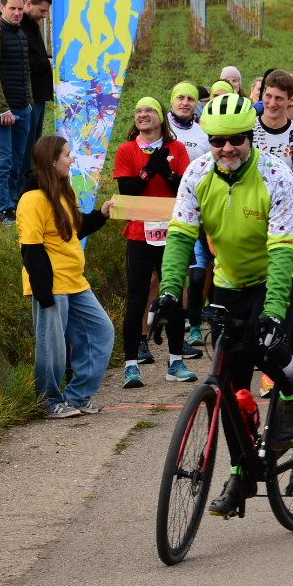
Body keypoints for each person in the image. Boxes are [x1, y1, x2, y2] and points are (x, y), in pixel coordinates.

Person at [156, 93, 293, 518]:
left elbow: (282, 248)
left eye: (236, 139)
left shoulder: (276, 174)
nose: (227, 148)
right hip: (230, 276)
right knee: (227, 382)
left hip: (281, 268)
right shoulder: (197, 173)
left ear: (250, 138)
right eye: (218, 140)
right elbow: (180, 235)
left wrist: (274, 310)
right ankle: (241, 472)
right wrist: (169, 292)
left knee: (263, 343)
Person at [19, 135, 117, 419]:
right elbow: (31, 249)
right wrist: (44, 292)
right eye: (67, 154)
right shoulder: (31, 200)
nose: (71, 159)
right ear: (52, 161)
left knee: (101, 331)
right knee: (52, 345)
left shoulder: (63, 191)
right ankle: (49, 402)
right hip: (52, 284)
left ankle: (77, 397)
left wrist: (101, 215)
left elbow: (73, 229)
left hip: (76, 281)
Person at [112, 99, 198, 387]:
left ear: (161, 117)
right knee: (136, 298)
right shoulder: (127, 150)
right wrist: (149, 169)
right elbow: (127, 190)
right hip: (139, 233)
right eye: (138, 111)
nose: (143, 114)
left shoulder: (177, 149)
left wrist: (167, 172)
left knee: (172, 296)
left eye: (149, 110)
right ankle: (131, 366)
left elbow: (185, 189)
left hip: (173, 233)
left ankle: (176, 362)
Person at [0, 0, 35, 224]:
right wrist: (2, 108)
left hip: (22, 108)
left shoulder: (21, 33)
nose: (17, 13)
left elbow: (25, 71)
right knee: (3, 161)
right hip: (0, 110)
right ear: (2, 7)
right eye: (12, 8)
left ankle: (12, 205)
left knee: (18, 160)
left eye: (20, 8)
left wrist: (29, 101)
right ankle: (1, 210)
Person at [253, 70, 293, 201]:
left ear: (291, 100)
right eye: (268, 96)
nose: (272, 103)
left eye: (279, 98)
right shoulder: (246, 131)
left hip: (286, 209)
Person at [21, 0, 54, 147]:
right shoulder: (20, 28)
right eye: (42, 10)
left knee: (35, 140)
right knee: (28, 142)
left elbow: (37, 54)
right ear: (28, 4)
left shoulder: (32, 25)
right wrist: (47, 63)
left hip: (38, 94)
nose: (44, 15)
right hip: (30, 95)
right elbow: (25, 60)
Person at [167, 81, 211, 160]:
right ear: (172, 101)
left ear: (196, 104)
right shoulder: (159, 126)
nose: (185, 103)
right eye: (180, 97)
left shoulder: (203, 134)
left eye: (190, 99)